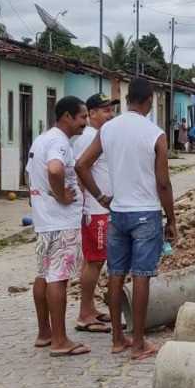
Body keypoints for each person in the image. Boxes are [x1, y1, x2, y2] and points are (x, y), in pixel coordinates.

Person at [76, 76, 177, 361]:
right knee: (142, 276)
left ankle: (118, 339)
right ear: (149, 100)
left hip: (117, 213)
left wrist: (100, 197)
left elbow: (81, 165)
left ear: (127, 98)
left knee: (116, 274)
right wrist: (172, 220)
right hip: (145, 213)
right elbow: (164, 183)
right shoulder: (155, 133)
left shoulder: (108, 129)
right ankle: (139, 343)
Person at [28, 96, 90, 356]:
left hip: (44, 221)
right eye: (82, 117)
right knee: (58, 279)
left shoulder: (41, 139)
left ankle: (44, 333)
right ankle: (60, 340)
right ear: (67, 116)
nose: (85, 123)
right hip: (60, 221)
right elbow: (55, 170)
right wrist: (61, 195)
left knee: (43, 275)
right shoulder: (59, 143)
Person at [73, 93, 118, 337]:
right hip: (96, 210)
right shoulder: (89, 138)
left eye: (111, 110)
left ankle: (91, 308)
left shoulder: (101, 136)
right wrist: (98, 197)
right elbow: (80, 169)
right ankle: (84, 314)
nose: (109, 115)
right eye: (104, 111)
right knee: (94, 262)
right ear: (91, 114)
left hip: (103, 210)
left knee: (97, 260)